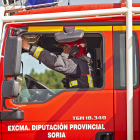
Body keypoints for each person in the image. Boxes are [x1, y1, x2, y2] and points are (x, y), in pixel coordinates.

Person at [22, 36, 98, 88]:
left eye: (66, 47)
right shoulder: (83, 64)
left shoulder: (76, 64)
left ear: (75, 49)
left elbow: (54, 61)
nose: (63, 50)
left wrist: (30, 48)